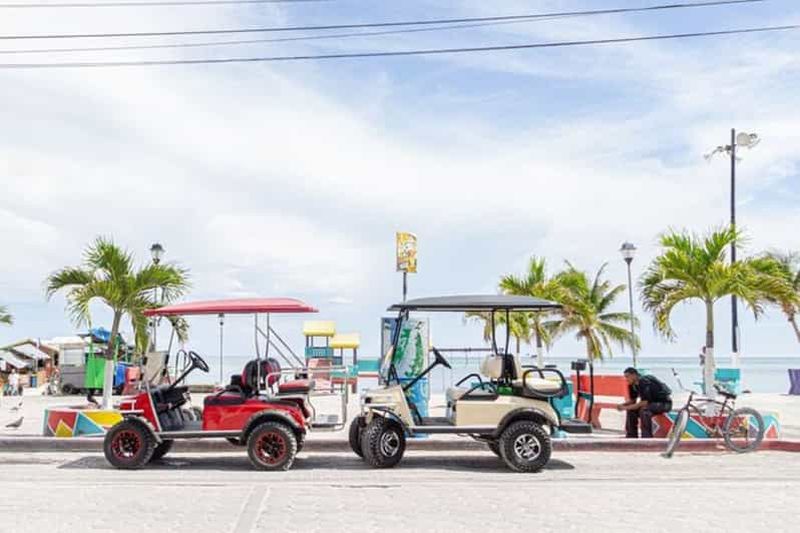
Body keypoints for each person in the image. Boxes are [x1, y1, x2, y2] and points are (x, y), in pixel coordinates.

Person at [616, 367, 672, 438]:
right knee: (631, 411)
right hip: (651, 404)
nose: (626, 379)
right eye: (625, 377)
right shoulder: (632, 385)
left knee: (644, 410)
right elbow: (633, 400)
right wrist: (622, 405)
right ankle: (631, 435)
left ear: (634, 375)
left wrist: (625, 407)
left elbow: (644, 402)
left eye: (627, 376)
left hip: (664, 404)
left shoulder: (643, 382)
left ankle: (646, 436)